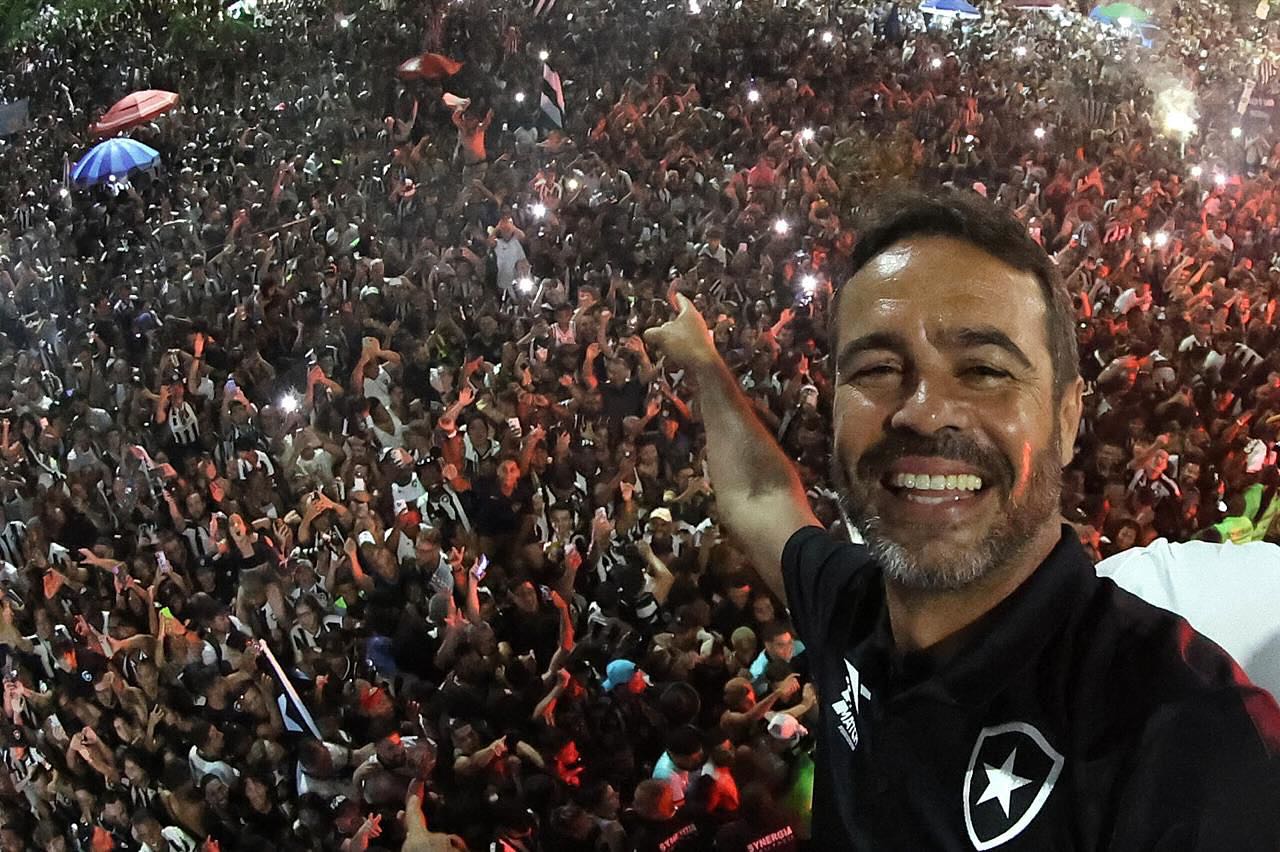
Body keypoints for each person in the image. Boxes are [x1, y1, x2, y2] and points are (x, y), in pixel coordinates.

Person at [644, 190, 1280, 848]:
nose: (923, 412)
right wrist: (705, 364)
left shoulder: (1189, 742)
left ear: (1067, 419)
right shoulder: (849, 610)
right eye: (877, 368)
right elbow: (758, 497)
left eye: (982, 369)